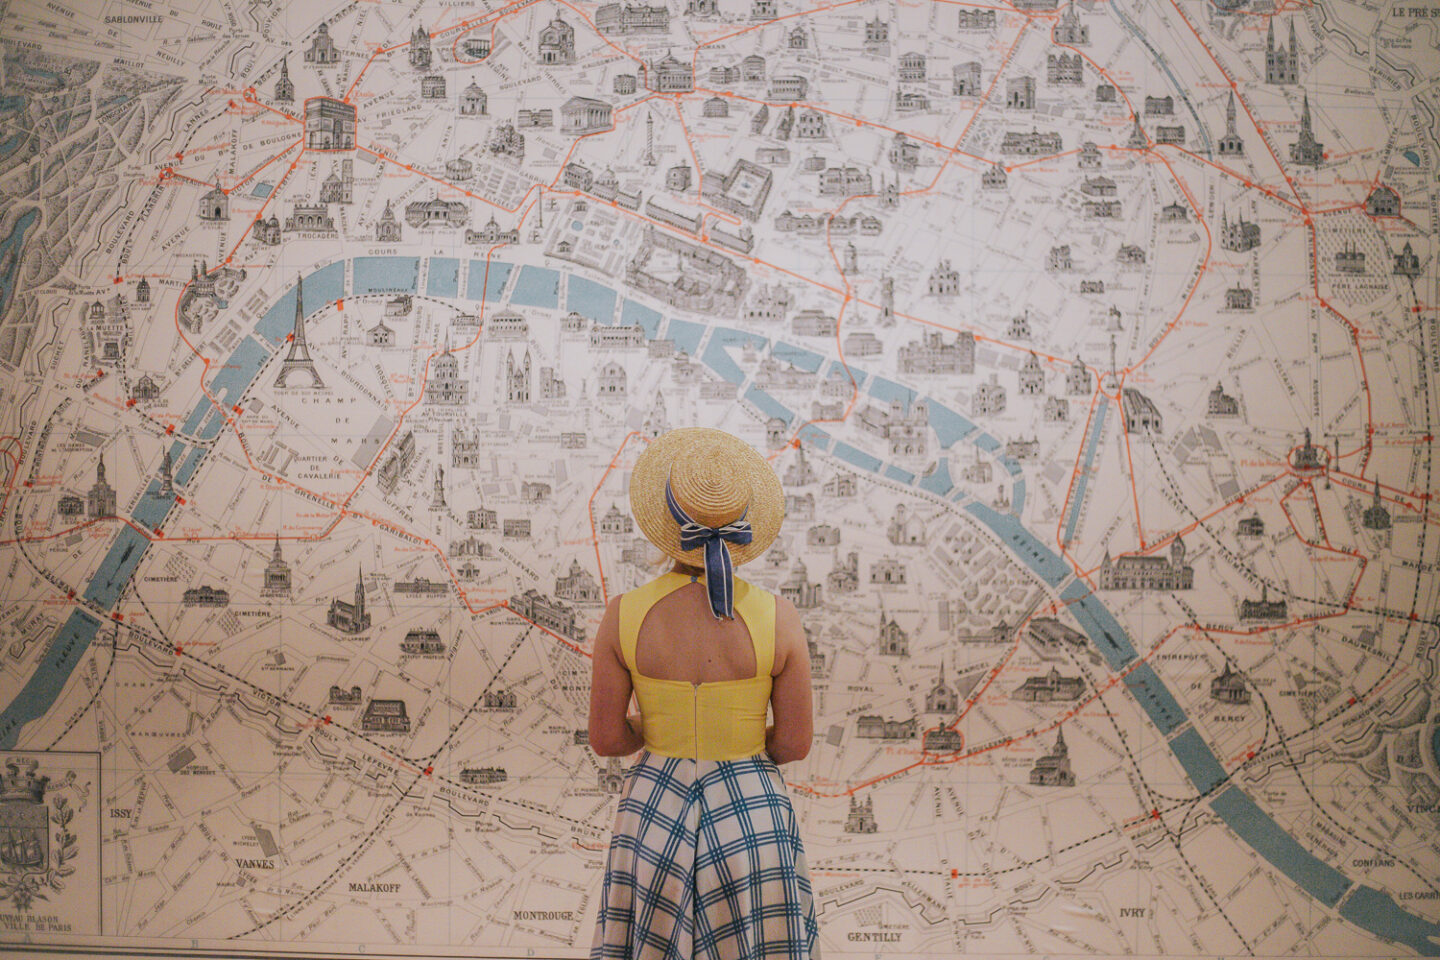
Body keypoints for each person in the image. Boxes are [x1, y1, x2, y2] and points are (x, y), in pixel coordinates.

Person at [588, 427, 819, 959]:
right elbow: (793, 744)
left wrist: (666, 730)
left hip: (653, 812)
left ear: (667, 527)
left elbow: (606, 737)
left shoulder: (623, 614)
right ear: (742, 529)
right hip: (751, 817)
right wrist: (729, 734)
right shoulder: (778, 619)